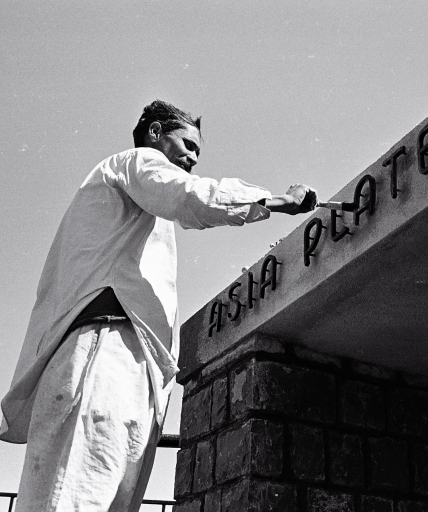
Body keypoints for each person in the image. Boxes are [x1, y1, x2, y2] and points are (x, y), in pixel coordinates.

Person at [0, 100, 318, 512]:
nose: (192, 158)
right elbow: (189, 196)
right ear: (154, 133)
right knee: (74, 498)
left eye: (198, 152)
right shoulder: (135, 162)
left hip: (134, 365)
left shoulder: (143, 211)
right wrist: (277, 200)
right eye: (186, 144)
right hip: (103, 352)